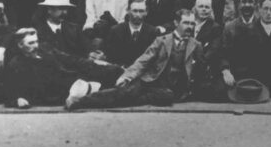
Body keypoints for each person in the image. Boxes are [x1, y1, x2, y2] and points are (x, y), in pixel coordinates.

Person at [66, 8, 209, 109]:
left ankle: (128, 97)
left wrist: (192, 86)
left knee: (166, 96)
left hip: (172, 89)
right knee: (124, 93)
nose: (189, 27)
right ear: (176, 23)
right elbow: (143, 60)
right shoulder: (162, 40)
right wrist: (127, 77)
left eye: (192, 23)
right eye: (186, 23)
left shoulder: (196, 45)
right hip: (151, 80)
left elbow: (202, 70)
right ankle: (80, 101)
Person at [2, 27, 122, 109]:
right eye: (31, 43)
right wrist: (17, 100)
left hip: (75, 77)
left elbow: (70, 59)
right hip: (59, 93)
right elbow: (10, 90)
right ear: (20, 45)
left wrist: (96, 63)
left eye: (36, 42)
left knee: (113, 72)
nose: (36, 46)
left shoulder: (45, 48)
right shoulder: (17, 64)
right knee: (111, 94)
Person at [100, 0, 158, 67]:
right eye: (135, 11)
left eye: (141, 11)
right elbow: (110, 57)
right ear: (128, 11)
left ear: (146, 12)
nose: (138, 15)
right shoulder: (115, 31)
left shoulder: (153, 32)